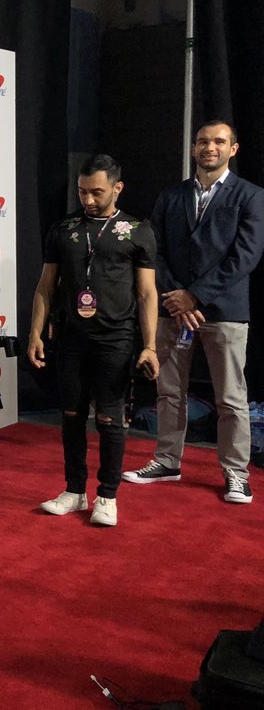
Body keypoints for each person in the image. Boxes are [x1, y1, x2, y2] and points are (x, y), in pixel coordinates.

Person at [123, 121, 264, 503]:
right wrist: (176, 296)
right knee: (169, 392)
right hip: (173, 308)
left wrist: (195, 296)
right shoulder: (172, 196)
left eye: (219, 141)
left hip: (224, 311)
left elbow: (245, 256)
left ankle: (236, 473)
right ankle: (167, 461)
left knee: (231, 399)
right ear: (193, 148)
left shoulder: (250, 196)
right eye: (203, 141)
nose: (210, 147)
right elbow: (156, 251)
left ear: (233, 149)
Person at [28, 154, 158, 526]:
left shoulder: (137, 231)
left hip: (116, 339)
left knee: (109, 419)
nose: (88, 200)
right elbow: (45, 287)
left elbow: (147, 293)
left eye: (96, 192)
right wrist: (35, 333)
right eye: (82, 191)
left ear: (117, 188)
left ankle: (107, 495)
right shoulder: (63, 229)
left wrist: (149, 345)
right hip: (70, 338)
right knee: (70, 417)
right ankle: (74, 490)